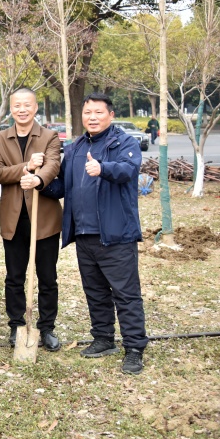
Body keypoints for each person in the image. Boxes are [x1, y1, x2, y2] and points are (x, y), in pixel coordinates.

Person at [42, 93, 147, 375]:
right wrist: (39, 182)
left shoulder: (123, 142)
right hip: (84, 234)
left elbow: (128, 170)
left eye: (98, 112)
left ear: (110, 115)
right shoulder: (76, 147)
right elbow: (62, 185)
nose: (92, 117)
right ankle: (103, 338)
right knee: (96, 292)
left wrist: (103, 168)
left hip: (116, 234)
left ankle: (135, 348)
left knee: (125, 294)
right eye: (88, 112)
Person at [0, 88, 62, 350]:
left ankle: (47, 328)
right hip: (14, 218)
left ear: (35, 108)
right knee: (14, 277)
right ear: (11, 109)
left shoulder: (50, 136)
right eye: (17, 105)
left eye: (27, 105)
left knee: (47, 276)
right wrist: (26, 168)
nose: (22, 110)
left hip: (44, 218)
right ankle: (17, 325)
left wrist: (39, 179)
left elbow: (53, 164)